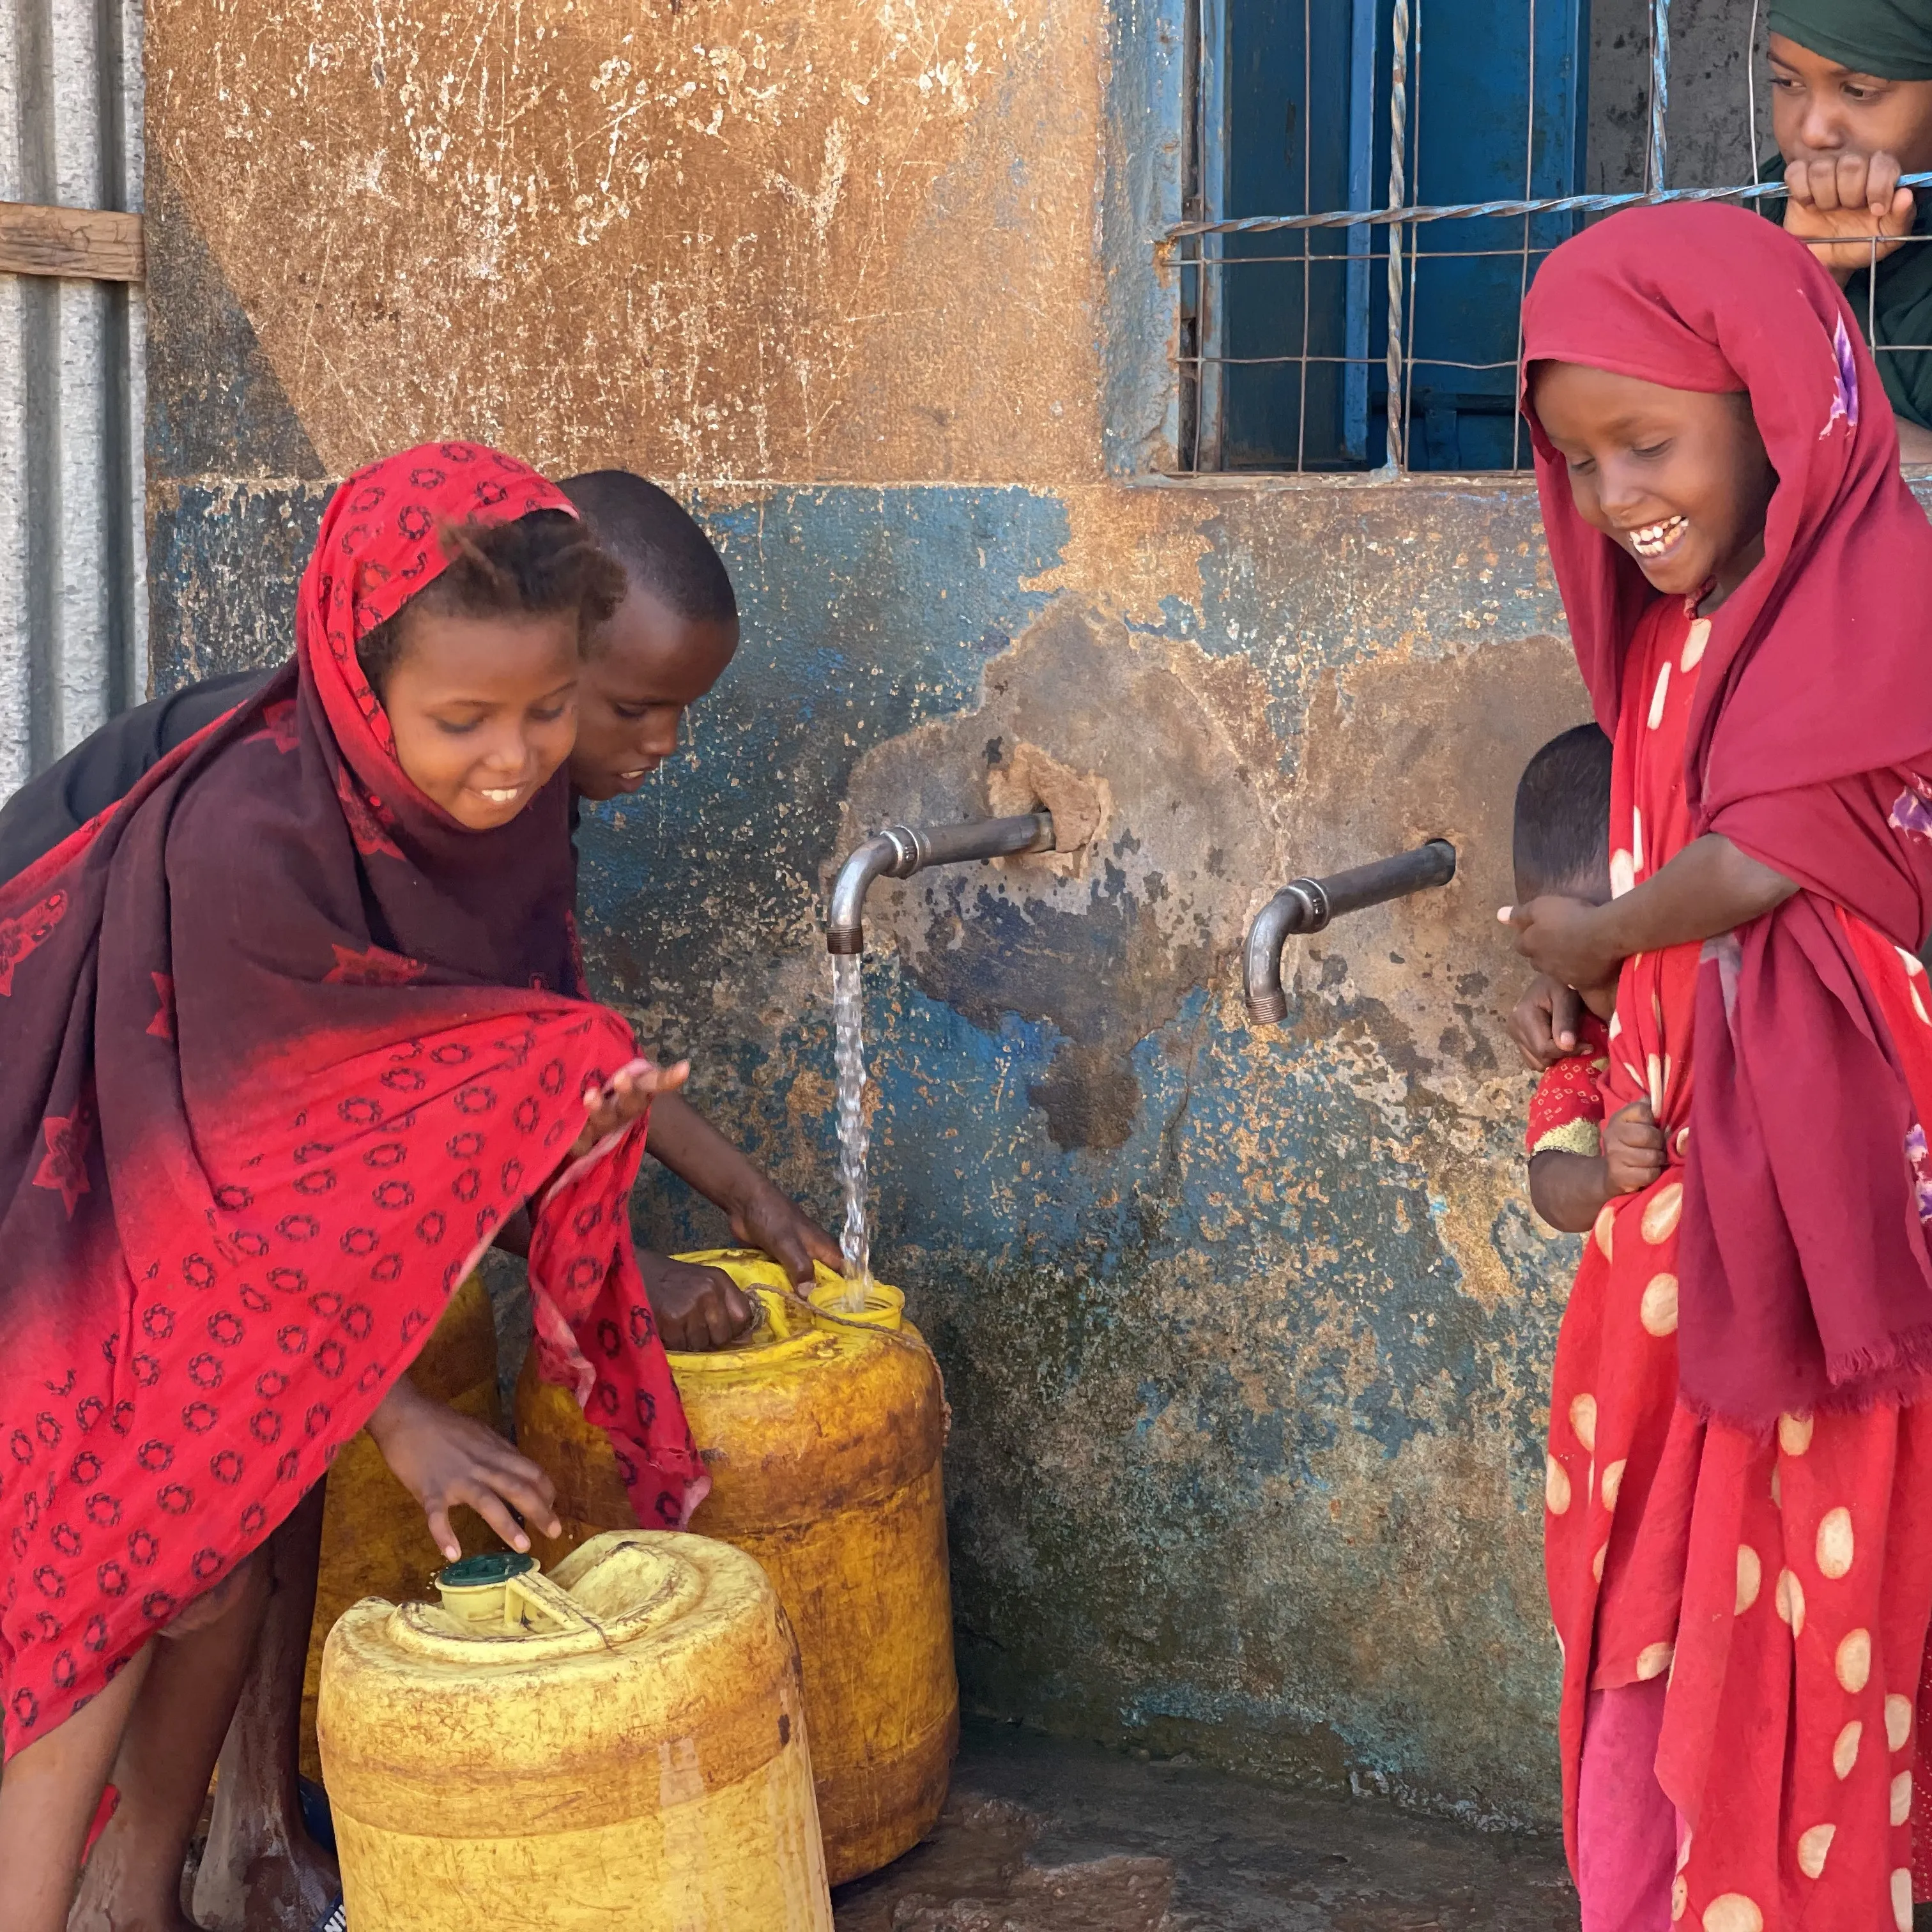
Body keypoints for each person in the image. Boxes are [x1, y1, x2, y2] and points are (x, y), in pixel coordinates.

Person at [0, 443, 707, 1932]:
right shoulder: (251, 847)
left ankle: (146, 1906)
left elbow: (454, 1057)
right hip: (69, 1164)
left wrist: (567, 1121)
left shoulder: (484, 828)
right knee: (116, 1570)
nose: (511, 759)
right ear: (354, 682)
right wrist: (398, 1419)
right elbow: (233, 1195)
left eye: (546, 712)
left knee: (226, 1576)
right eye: (463, 721)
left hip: (188, 1196)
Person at [1501, 203, 1932, 1931]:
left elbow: (1782, 852)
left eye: (1649, 442)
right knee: (1668, 1637)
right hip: (1681, 1249)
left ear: (1774, 402)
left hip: (1823, 1243)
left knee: (1814, 1655)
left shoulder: (1873, 600)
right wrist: (1608, 1016)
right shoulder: (1674, 640)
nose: (1616, 498)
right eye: (1580, 461)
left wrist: (1597, 944)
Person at [0, 470, 838, 1349]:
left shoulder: (507, 785)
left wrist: (750, 1196)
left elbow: (527, 1038)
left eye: (681, 713)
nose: (663, 743)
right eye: (633, 709)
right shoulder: (265, 838)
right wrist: (622, 1273)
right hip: (60, 1041)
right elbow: (358, 1122)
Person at [1508, 725, 1667, 1234]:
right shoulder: (1587, 1040)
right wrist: (1604, 1176)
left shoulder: (1746, 978)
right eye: (1588, 964)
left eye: (1633, 949)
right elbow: (1549, 1183)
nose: (1629, 988)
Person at [1761, 3, 1932, 459]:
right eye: (1787, 83)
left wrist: (1832, 428)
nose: (1814, 132)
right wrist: (1813, 270)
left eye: (1859, 91)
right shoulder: (1769, 206)